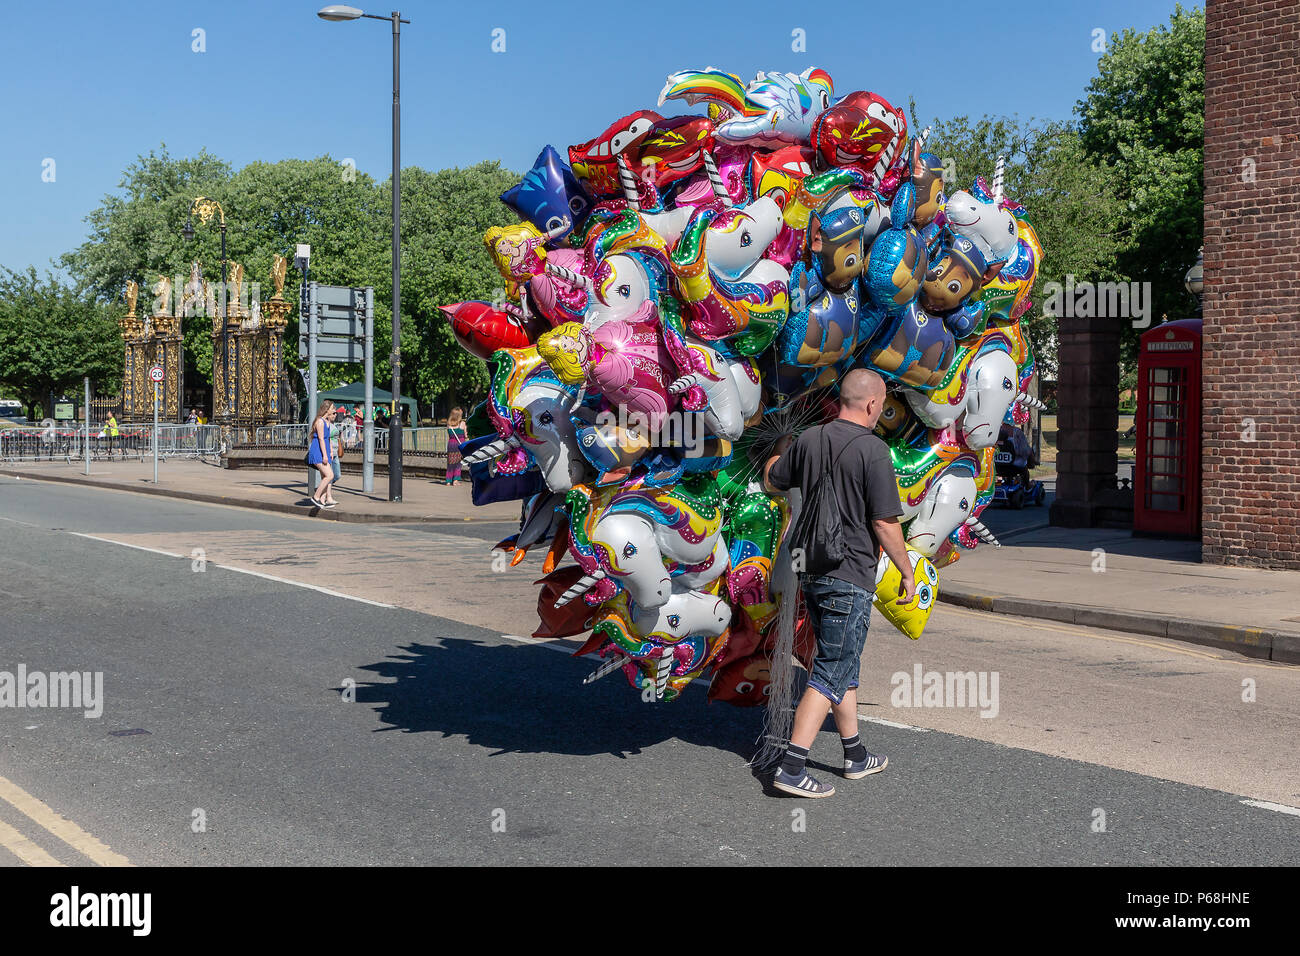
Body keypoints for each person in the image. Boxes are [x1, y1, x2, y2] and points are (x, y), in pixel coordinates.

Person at [762, 368, 917, 799]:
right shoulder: (874, 451)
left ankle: (855, 754)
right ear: (871, 405)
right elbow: (885, 523)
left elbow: (771, 479)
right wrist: (906, 570)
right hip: (849, 574)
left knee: (840, 660)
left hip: (809, 566)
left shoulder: (809, 439)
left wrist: (779, 447)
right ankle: (791, 767)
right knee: (832, 668)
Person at [306, 401, 338, 508]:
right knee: (330, 475)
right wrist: (325, 455)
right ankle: (316, 497)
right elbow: (321, 439)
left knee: (325, 476)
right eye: (332, 408)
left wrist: (331, 452)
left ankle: (323, 500)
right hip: (318, 452)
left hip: (324, 452)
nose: (334, 411)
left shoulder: (326, 422)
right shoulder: (319, 421)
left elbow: (327, 438)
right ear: (327, 409)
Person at [444, 406, 467, 485]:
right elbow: (466, 435)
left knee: (450, 462)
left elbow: (450, 435)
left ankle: (448, 480)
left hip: (451, 444)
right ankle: (455, 480)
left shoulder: (448, 424)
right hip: (460, 444)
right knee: (458, 462)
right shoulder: (462, 423)